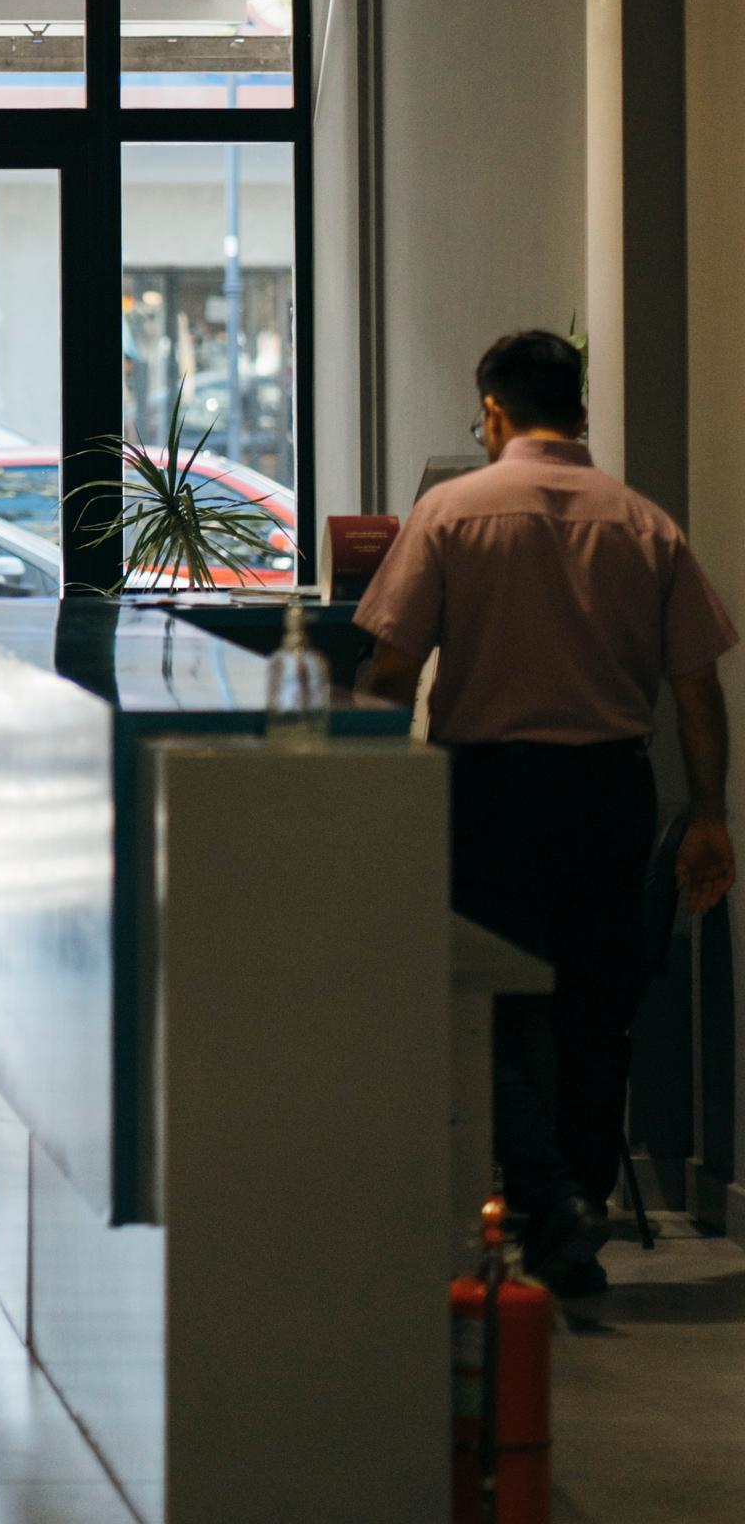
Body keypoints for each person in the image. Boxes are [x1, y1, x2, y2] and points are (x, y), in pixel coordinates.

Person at [359, 330, 737, 1298]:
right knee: (592, 1014)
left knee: (480, 1004)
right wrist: (706, 813)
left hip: (487, 795)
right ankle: (578, 1203)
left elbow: (391, 671)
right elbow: (694, 689)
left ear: (491, 413)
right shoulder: (643, 525)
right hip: (611, 793)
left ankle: (543, 1202)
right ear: (578, 409)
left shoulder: (448, 515)